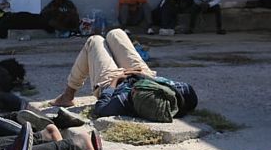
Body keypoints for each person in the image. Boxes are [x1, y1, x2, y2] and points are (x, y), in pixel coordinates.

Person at [51, 29, 197, 120]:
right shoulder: (180, 94)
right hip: (142, 75)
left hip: (114, 82)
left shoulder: (122, 100)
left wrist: (115, 81)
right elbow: (189, 92)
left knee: (95, 40)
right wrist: (141, 76)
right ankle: (67, 95)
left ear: (134, 95)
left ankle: (67, 96)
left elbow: (101, 108)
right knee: (116, 34)